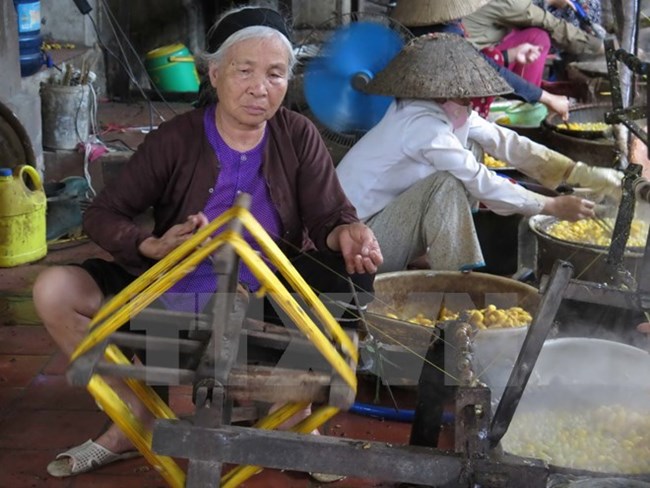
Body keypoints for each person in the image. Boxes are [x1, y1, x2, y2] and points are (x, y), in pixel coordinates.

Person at [32, 5, 382, 478]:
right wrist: (147, 246)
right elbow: (102, 212)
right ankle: (133, 415)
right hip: (171, 301)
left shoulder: (297, 135)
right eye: (245, 71)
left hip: (265, 304)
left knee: (353, 278)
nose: (261, 88)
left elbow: (329, 216)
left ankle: (290, 417)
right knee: (53, 289)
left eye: (276, 74)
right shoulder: (175, 139)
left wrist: (348, 233)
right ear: (214, 73)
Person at [336, 33, 623, 273]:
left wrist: (578, 172)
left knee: (472, 147)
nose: (471, 102)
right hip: (358, 242)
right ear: (441, 92)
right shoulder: (423, 124)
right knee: (448, 182)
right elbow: (479, 179)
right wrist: (551, 206)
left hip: (382, 220)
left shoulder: (444, 108)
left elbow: (506, 142)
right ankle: (454, 280)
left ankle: (435, 247)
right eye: (466, 95)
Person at [391, 0, 571, 119]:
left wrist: (511, 55)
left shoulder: (428, 25)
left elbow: (479, 61)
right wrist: (546, 97)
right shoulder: (443, 33)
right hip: (426, 110)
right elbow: (483, 71)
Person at [463, 0, 605, 87]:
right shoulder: (510, 3)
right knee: (537, 37)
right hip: (468, 61)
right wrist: (600, 47)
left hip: (470, 50)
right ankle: (527, 98)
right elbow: (550, 24)